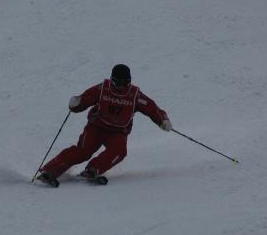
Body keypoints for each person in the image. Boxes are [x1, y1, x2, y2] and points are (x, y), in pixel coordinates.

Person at [38, 64, 172, 184]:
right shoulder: (103, 89)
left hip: (118, 132)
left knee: (119, 152)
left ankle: (93, 169)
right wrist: (76, 103)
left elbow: (151, 108)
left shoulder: (135, 95)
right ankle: (49, 171)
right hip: (96, 127)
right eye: (117, 82)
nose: (120, 86)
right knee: (83, 151)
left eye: (124, 83)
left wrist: (163, 121)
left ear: (129, 81)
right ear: (112, 80)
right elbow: (86, 98)